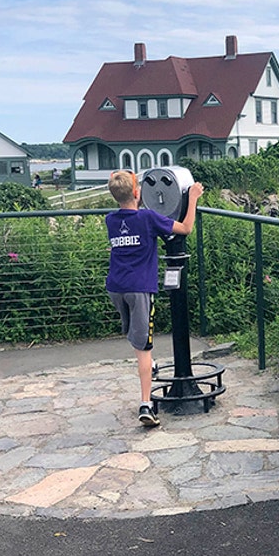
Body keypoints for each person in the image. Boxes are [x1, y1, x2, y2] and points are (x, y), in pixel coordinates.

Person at [105, 170, 203, 426]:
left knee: (136, 339)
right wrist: (192, 198)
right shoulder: (148, 218)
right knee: (143, 348)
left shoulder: (110, 220)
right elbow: (186, 228)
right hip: (139, 288)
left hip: (116, 287)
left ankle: (152, 367)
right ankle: (146, 404)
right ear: (138, 193)